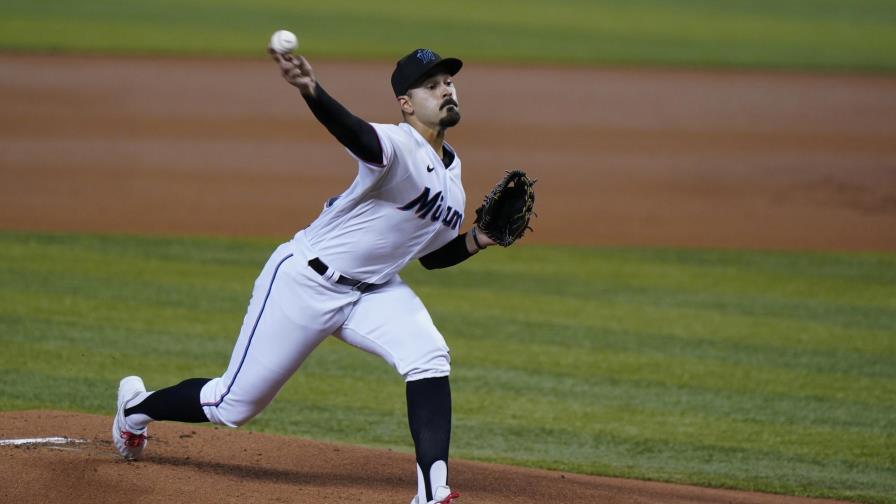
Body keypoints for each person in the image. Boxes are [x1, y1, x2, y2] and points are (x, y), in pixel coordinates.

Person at [112, 47, 499, 504]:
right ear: (406, 104)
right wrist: (311, 90)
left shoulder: (453, 174)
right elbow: (355, 133)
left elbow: (431, 256)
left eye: (448, 83)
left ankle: (432, 494)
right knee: (232, 405)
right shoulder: (396, 145)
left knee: (429, 355)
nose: (446, 90)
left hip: (374, 292)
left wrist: (480, 237)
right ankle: (134, 409)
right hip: (306, 281)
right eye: (431, 86)